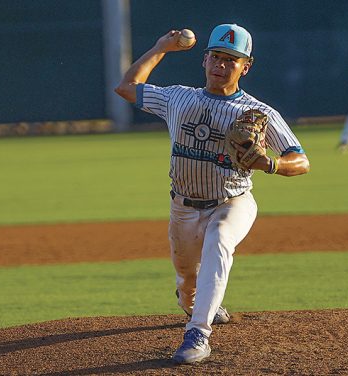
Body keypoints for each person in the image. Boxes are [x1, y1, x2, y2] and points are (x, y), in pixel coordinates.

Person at [114, 23, 310, 364]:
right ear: (204, 60)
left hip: (232, 201)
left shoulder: (258, 113)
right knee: (188, 281)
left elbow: (301, 160)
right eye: (216, 57)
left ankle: (198, 334)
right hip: (183, 209)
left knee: (220, 240)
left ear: (245, 67)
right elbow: (127, 87)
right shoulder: (178, 98)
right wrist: (161, 47)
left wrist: (271, 165)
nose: (221, 65)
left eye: (231, 60)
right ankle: (195, 301)